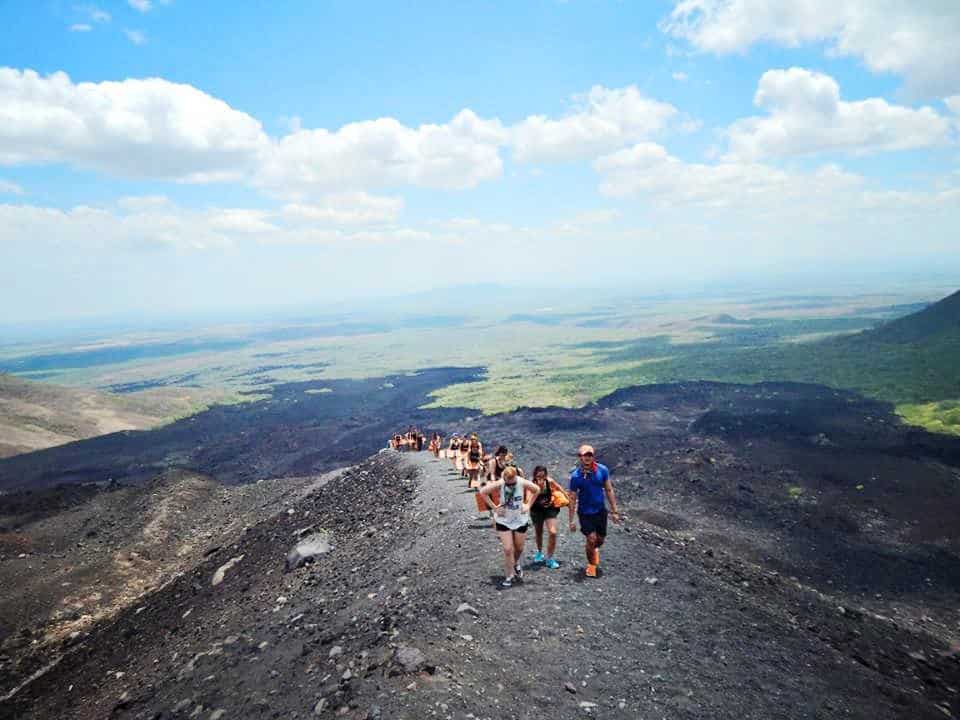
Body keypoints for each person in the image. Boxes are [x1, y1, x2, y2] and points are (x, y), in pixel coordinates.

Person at [479, 465, 539, 589]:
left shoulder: (521, 482)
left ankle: (515, 563)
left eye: (513, 483)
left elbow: (537, 489)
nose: (511, 486)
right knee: (507, 549)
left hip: (520, 519)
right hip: (504, 520)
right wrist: (495, 507)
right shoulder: (500, 483)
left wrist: (528, 505)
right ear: (504, 479)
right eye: (508, 484)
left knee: (519, 548)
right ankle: (509, 575)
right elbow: (483, 492)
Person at [568, 444, 621, 579]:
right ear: (580, 457)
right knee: (591, 539)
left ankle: (592, 549)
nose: (587, 458)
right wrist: (571, 520)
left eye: (589, 455)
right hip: (585, 512)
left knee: (600, 539)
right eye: (584, 455)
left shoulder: (602, 470)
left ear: (593, 456)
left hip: (600, 511)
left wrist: (614, 511)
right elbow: (572, 498)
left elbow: (609, 490)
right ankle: (591, 565)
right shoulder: (575, 477)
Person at [530, 466, 568, 570]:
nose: (541, 479)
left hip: (549, 509)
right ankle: (539, 552)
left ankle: (550, 558)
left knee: (553, 532)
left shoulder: (549, 481)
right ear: (535, 476)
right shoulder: (531, 484)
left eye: (543, 476)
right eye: (538, 476)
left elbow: (560, 488)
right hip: (536, 510)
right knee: (539, 532)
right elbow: (528, 499)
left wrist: (568, 500)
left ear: (546, 475)